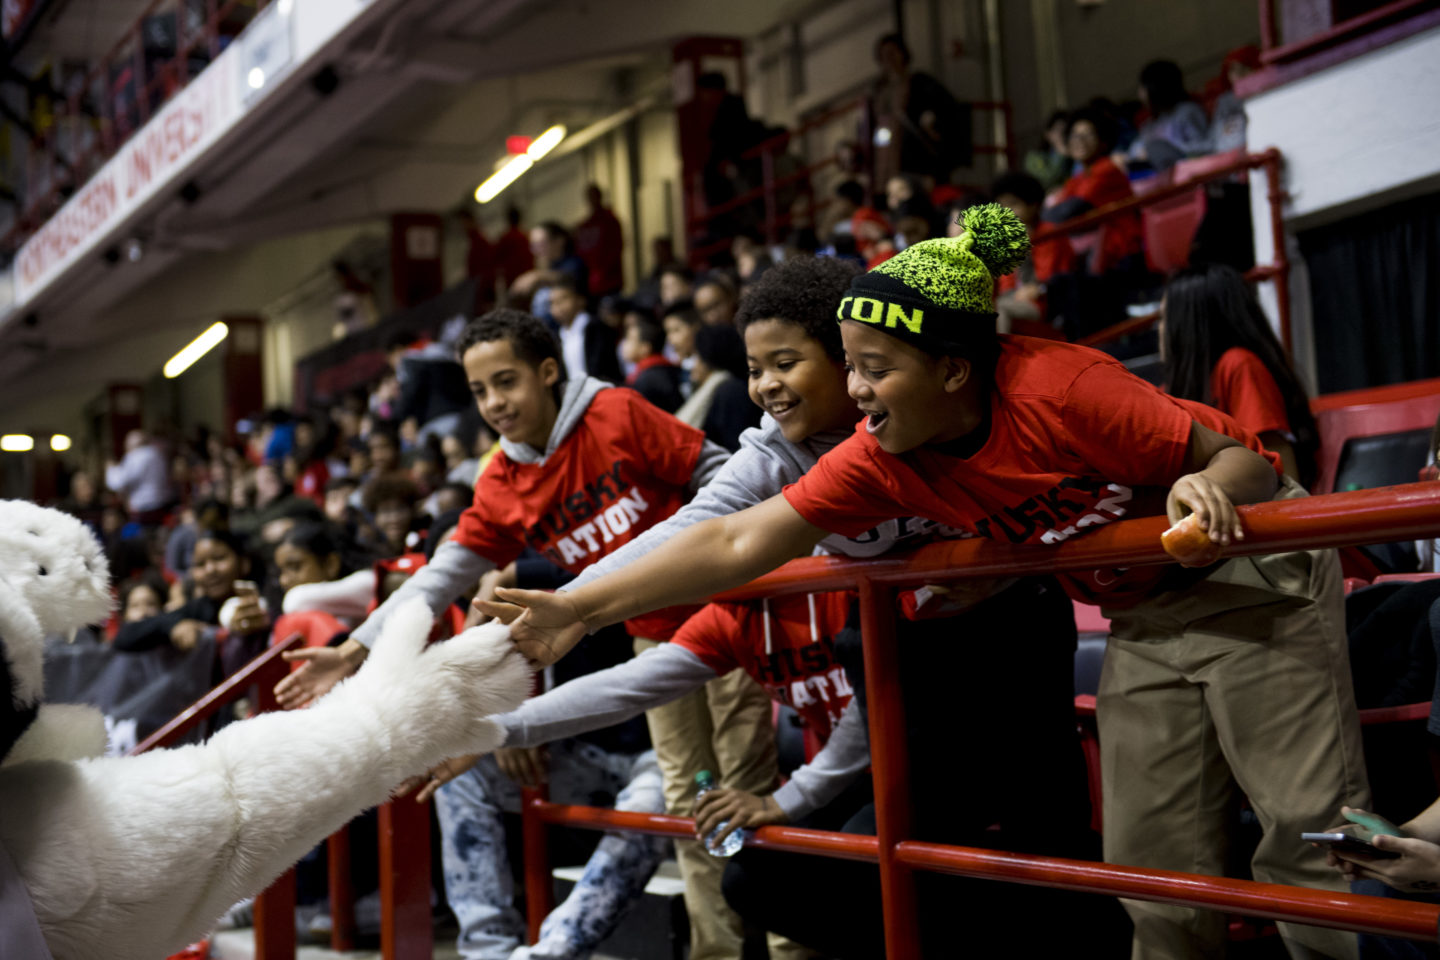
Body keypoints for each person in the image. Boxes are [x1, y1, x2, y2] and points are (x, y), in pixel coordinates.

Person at [486, 207, 1371, 960]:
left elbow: (1245, 461)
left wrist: (1209, 487)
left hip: (1245, 578)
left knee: (1304, 835)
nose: (857, 394)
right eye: (850, 365)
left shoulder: (1065, 390)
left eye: (874, 369)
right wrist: (574, 605)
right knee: (1152, 871)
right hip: (1141, 608)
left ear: (953, 370)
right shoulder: (878, 455)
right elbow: (733, 539)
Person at [445, 252, 1092, 955]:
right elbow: (704, 530)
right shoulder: (773, 502)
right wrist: (569, 611)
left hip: (1010, 635)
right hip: (902, 678)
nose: (766, 388)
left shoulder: (937, 410)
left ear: (849, 358)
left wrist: (997, 556)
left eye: (785, 363)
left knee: (1040, 848)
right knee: (819, 871)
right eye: (755, 369)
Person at [273, 308, 756, 960]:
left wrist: (690, 554)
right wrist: (353, 649)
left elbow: (725, 473)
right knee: (691, 805)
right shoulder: (500, 480)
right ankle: (717, 953)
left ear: (548, 371)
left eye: (507, 382)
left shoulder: (616, 413)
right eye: (479, 391)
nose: (495, 402)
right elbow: (440, 575)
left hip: (733, 619)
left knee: (748, 799)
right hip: (657, 646)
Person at [1161, 262, 1319, 488]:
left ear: (1189, 324)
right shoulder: (1175, 386)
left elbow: (1284, 475)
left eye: (1165, 318)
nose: (1160, 330)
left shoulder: (1239, 365)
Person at [1043, 108, 1144, 338]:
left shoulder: (1106, 169)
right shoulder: (1078, 178)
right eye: (1075, 136)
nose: (1080, 141)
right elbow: (1053, 215)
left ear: (1103, 140)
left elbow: (1066, 212)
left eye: (1088, 135)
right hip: (1095, 259)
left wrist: (1047, 213)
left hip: (1120, 258)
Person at [871, 33, 970, 185]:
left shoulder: (919, 82)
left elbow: (946, 106)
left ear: (903, 54)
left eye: (893, 53)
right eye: (884, 55)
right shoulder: (878, 90)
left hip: (916, 154)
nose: (889, 59)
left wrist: (931, 118)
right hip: (887, 153)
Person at [991, 171, 1074, 331]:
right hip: (1016, 298)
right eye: (1001, 206)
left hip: (1047, 303)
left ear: (1033, 205)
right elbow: (1006, 283)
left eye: (1013, 204)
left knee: (998, 309)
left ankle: (996, 356)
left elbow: (1045, 280)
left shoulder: (1049, 233)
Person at [674, 325, 759, 453]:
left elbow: (737, 449)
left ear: (709, 359)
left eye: (697, 356)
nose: (693, 365)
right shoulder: (721, 388)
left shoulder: (730, 392)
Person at [1126, 59, 1211, 174]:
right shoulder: (1150, 124)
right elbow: (1136, 150)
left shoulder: (1187, 112)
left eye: (1143, 88)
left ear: (1155, 87)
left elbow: (1204, 146)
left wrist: (1167, 150)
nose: (1140, 94)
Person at [545, 274, 622, 385]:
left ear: (580, 299)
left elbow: (602, 367)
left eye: (563, 299)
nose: (558, 307)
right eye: (552, 303)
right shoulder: (557, 336)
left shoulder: (597, 328)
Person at [621, 313, 685, 414]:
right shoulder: (665, 368)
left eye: (630, 339)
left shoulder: (645, 380)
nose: (624, 344)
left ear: (645, 348)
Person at [105, 429, 173, 524]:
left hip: (144, 509)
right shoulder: (157, 454)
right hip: (162, 505)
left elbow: (116, 483)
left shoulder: (136, 456)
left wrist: (110, 468)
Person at [574, 184, 625, 299]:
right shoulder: (584, 225)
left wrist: (602, 271)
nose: (592, 199)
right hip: (588, 282)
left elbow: (616, 248)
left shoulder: (610, 221)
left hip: (609, 281)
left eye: (594, 196)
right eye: (589, 196)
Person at [1024, 110, 1073, 193]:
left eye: (1066, 131)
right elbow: (1045, 181)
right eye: (1058, 130)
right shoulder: (1035, 157)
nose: (1062, 135)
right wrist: (1061, 155)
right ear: (1047, 134)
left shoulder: (1077, 155)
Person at [494, 206, 535, 290]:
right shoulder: (526, 236)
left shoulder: (505, 238)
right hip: (528, 278)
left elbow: (496, 259)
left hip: (513, 281)